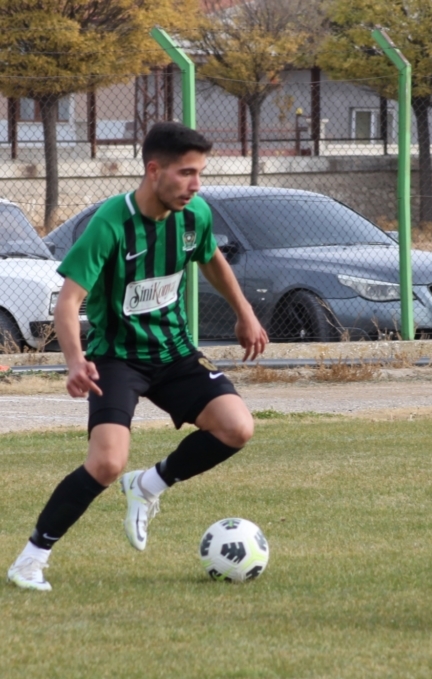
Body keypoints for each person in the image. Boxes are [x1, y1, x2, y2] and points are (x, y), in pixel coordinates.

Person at [6, 122, 268, 591]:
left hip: (175, 351)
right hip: (117, 358)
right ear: (153, 170)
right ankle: (31, 558)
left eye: (200, 173)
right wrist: (74, 360)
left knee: (237, 427)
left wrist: (244, 313)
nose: (196, 185)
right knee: (106, 462)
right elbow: (69, 301)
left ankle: (149, 484)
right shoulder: (111, 224)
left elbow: (210, 257)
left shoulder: (195, 215)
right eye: (186, 173)